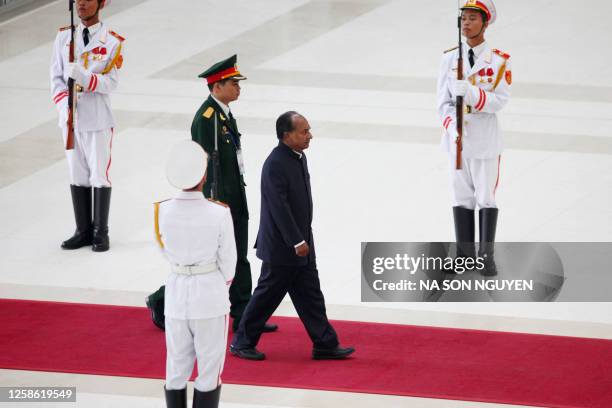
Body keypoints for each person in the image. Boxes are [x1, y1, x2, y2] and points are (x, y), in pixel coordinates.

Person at [146, 55, 277, 334]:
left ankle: (244, 315)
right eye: (233, 83)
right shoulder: (207, 119)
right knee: (212, 259)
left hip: (234, 196)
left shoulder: (224, 114)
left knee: (239, 255)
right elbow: (202, 164)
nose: (238, 88)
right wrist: (210, 202)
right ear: (216, 86)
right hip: (220, 200)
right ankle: (160, 300)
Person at [230, 111, 355, 361]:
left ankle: (325, 343)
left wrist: (304, 238)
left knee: (310, 295)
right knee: (266, 296)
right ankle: (242, 342)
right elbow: (278, 207)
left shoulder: (299, 157)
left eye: (309, 130)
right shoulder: (275, 163)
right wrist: (296, 240)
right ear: (287, 135)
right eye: (304, 131)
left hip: (302, 243)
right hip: (284, 246)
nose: (310, 136)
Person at [156, 140, 236, 408]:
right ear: (204, 176)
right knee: (209, 369)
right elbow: (229, 262)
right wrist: (217, 283)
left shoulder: (161, 211)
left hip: (177, 293)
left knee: (176, 366)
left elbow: (164, 250)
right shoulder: (219, 212)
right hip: (209, 295)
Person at [436, 0, 511, 275]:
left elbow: (499, 101)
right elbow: (441, 102)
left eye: (472, 18)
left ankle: (486, 256)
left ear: (485, 22)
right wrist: (451, 126)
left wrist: (470, 93)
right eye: (463, 18)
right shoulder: (448, 58)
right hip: (457, 139)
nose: (466, 23)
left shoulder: (499, 60)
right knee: (461, 195)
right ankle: (465, 255)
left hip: (484, 137)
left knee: (485, 196)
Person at [50, 0, 124, 252]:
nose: (81, 3)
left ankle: (100, 232)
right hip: (70, 119)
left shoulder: (111, 42)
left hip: (96, 118)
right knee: (77, 172)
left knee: (98, 174)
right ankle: (82, 230)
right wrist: (64, 107)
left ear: (101, 3)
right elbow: (56, 78)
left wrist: (86, 78)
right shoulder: (63, 38)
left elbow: (111, 83)